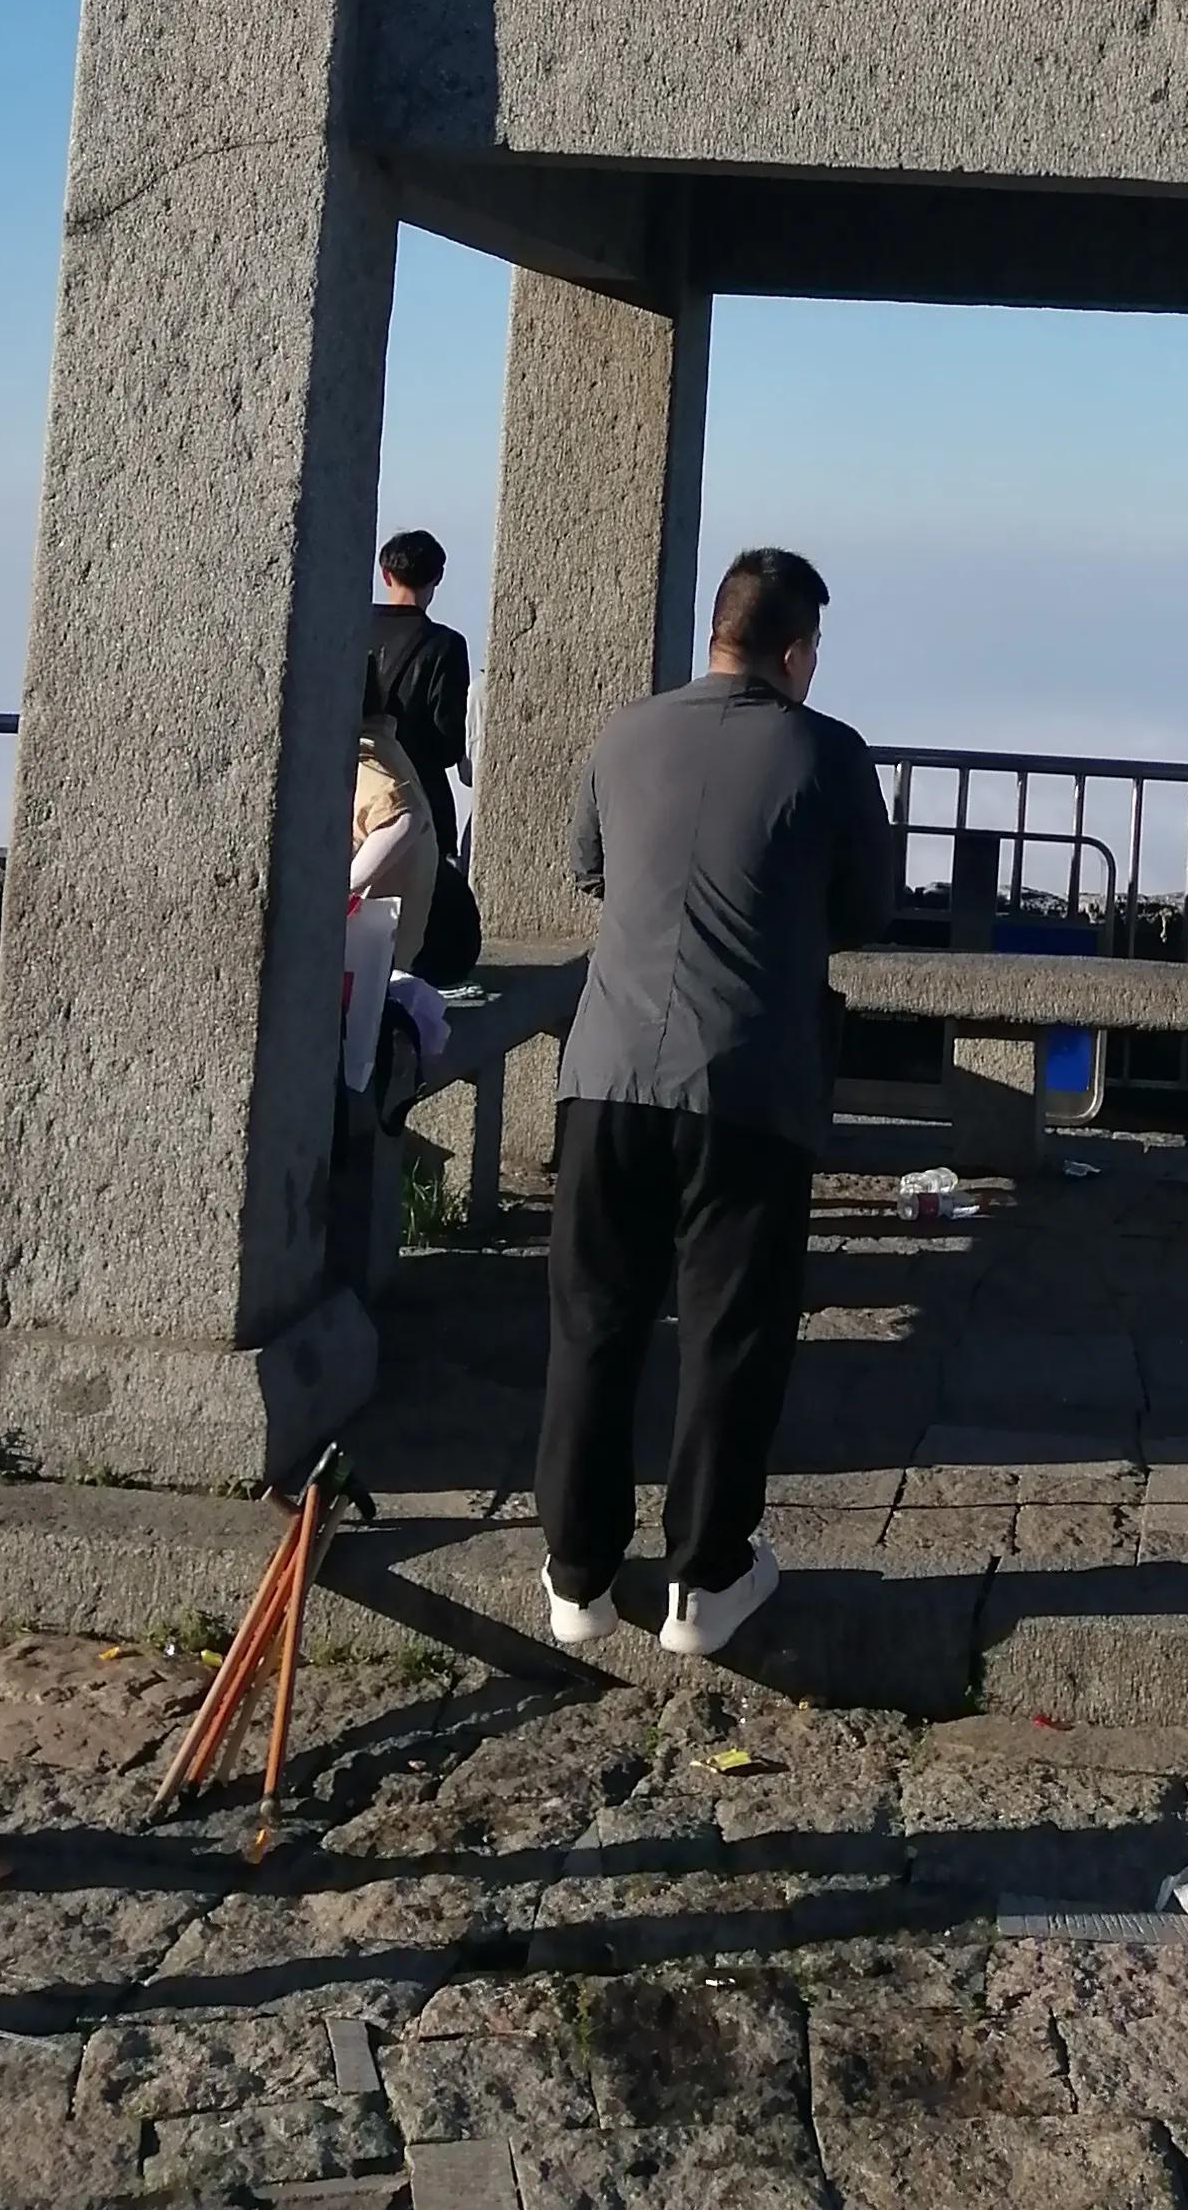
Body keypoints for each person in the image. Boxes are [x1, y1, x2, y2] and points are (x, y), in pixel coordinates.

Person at [534, 546, 894, 1664]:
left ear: (716, 636)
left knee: (593, 1320)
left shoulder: (624, 730)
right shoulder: (827, 752)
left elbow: (588, 867)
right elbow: (868, 907)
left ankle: (576, 1572)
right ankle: (706, 1573)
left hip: (603, 1070)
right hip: (746, 1079)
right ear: (795, 651)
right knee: (730, 1333)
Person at [367, 530, 472, 853]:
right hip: (419, 800)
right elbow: (448, 746)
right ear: (437, 577)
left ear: (385, 574)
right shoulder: (446, 645)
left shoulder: (353, 628)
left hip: (358, 798)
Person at [351, 723, 441, 977]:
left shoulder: (358, 756)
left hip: (369, 969)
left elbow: (404, 817)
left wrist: (340, 894)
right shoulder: (385, 748)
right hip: (390, 963)